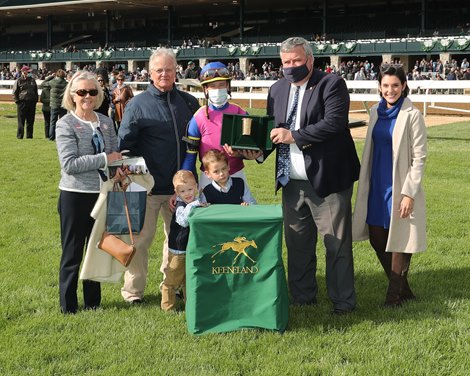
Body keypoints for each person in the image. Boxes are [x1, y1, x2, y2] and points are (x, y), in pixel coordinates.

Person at [263, 37, 360, 313]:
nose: (290, 67)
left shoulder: (332, 84)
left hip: (327, 181)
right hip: (291, 181)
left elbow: (333, 124)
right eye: (285, 62)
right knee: (297, 246)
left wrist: (293, 135)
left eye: (296, 61)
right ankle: (302, 298)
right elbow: (273, 131)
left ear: (310, 60)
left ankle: (343, 303)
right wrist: (256, 152)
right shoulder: (277, 89)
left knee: (336, 245)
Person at [118, 48, 199, 304]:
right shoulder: (137, 105)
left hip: (182, 191)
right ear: (150, 73)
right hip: (147, 189)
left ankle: (171, 285)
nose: (165, 74)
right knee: (139, 243)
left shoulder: (189, 102)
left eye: (169, 69)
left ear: (177, 71)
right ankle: (133, 292)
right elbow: (125, 147)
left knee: (177, 242)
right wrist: (138, 180)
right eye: (159, 70)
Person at [352, 65, 427, 307]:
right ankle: (404, 290)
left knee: (400, 238)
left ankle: (393, 297)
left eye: (395, 85)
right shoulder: (375, 112)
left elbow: (419, 158)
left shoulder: (413, 115)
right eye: (386, 85)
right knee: (377, 238)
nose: (390, 90)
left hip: (400, 186)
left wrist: (409, 193)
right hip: (377, 185)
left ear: (403, 86)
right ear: (380, 87)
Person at [55, 71, 122, 314]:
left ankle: (93, 303)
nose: (87, 96)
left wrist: (119, 170)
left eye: (92, 92)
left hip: (103, 194)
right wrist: (105, 158)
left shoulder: (105, 121)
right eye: (81, 92)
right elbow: (70, 164)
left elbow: (115, 157)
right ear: (72, 95)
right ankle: (68, 305)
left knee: (96, 250)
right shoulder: (65, 124)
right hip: (74, 195)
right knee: (72, 251)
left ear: (99, 94)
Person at [181, 61, 250, 189]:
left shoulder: (241, 113)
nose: (217, 89)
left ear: (228, 86)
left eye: (221, 85)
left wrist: (241, 154)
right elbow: (190, 156)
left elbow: (251, 150)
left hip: (237, 175)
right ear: (205, 89)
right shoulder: (198, 117)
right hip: (208, 179)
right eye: (212, 86)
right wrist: (183, 183)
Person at [161, 170, 207, 311]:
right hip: (178, 250)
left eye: (190, 189)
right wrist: (194, 205)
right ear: (177, 192)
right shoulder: (181, 206)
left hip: (191, 248)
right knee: (172, 278)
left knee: (190, 278)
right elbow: (183, 221)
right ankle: (167, 306)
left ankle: (190, 305)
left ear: (196, 187)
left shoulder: (196, 201)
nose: (187, 194)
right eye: (182, 191)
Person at [12, 65, 38, 139]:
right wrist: (17, 102)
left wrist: (35, 101)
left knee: (30, 120)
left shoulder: (32, 80)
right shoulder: (19, 80)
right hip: (22, 102)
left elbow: (35, 91)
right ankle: (20, 135)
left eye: (29, 71)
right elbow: (15, 92)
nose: (28, 72)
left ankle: (29, 136)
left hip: (31, 102)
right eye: (27, 71)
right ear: (23, 71)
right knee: (21, 120)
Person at [49, 69, 68, 141]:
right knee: (62, 122)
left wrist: (51, 76)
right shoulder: (66, 83)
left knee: (53, 121)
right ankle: (61, 136)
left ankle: (51, 137)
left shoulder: (53, 82)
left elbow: (43, 84)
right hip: (63, 105)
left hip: (54, 104)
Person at [40, 74, 53, 138]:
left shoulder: (45, 90)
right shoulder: (46, 90)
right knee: (49, 122)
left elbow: (42, 99)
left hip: (47, 107)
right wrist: (50, 100)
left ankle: (48, 135)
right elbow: (41, 99)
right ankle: (49, 135)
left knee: (48, 122)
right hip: (48, 108)